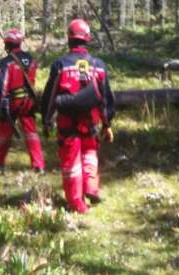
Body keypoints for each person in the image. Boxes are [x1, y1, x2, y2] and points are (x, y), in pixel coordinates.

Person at [40, 19, 116, 213]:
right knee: (90, 154)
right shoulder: (98, 65)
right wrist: (107, 124)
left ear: (69, 39)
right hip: (91, 122)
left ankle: (77, 204)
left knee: (70, 163)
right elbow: (105, 98)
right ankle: (91, 188)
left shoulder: (61, 65)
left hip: (67, 123)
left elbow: (50, 97)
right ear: (87, 39)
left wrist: (46, 121)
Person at [0, 29, 45, 172]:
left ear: (8, 43)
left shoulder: (6, 62)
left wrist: (0, 105)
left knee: (4, 132)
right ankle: (38, 165)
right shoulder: (31, 60)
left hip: (11, 103)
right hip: (28, 102)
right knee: (31, 133)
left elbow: (2, 86)